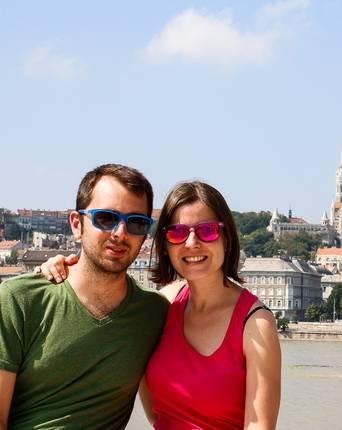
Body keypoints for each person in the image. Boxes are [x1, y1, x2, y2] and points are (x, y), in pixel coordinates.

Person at [38, 180, 282, 429]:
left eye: (207, 230)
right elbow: (158, 416)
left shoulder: (255, 325)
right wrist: (61, 267)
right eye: (178, 232)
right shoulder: (162, 306)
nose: (191, 243)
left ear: (227, 238)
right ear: (165, 246)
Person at [0, 164, 169, 429]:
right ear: (77, 224)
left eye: (136, 223)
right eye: (105, 218)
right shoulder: (18, 299)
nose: (120, 233)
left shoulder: (154, 312)